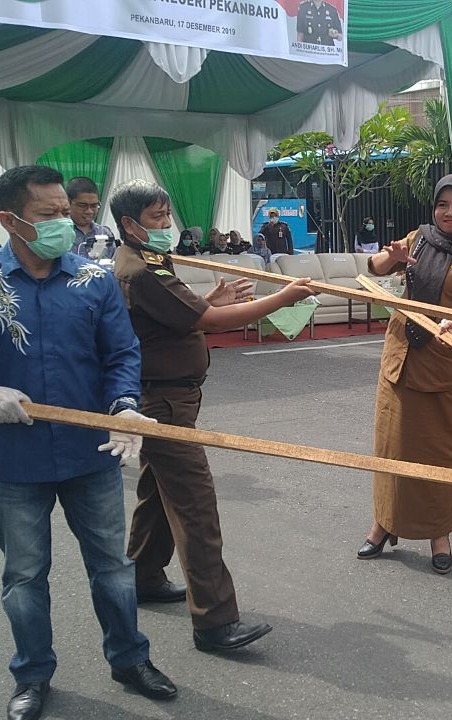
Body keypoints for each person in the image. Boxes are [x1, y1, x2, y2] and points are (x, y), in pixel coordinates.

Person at [0, 166, 177, 720]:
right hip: (14, 461)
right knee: (25, 576)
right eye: (47, 215)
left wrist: (125, 407)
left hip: (91, 454)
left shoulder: (93, 280)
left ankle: (129, 658)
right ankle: (32, 675)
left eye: (65, 212)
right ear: (10, 220)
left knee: (112, 568)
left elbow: (122, 354)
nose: (62, 223)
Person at [110, 179, 316, 651]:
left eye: (167, 216)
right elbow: (205, 321)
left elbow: (187, 313)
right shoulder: (141, 269)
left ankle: (141, 575)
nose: (166, 225)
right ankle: (215, 621)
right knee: (195, 507)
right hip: (161, 402)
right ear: (129, 224)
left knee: (157, 493)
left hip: (167, 395)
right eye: (157, 218)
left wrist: (214, 301)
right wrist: (281, 298)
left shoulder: (151, 259)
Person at [357, 175, 452, 575]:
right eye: (442, 204)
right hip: (400, 360)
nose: (449, 212)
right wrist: (395, 258)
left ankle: (440, 534)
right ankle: (383, 523)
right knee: (391, 447)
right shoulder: (419, 237)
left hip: (445, 368)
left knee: (441, 455)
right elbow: (376, 265)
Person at [66, 176, 118, 261]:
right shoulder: (61, 232)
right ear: (68, 202)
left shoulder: (104, 233)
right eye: (83, 206)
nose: (89, 211)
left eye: (94, 206)